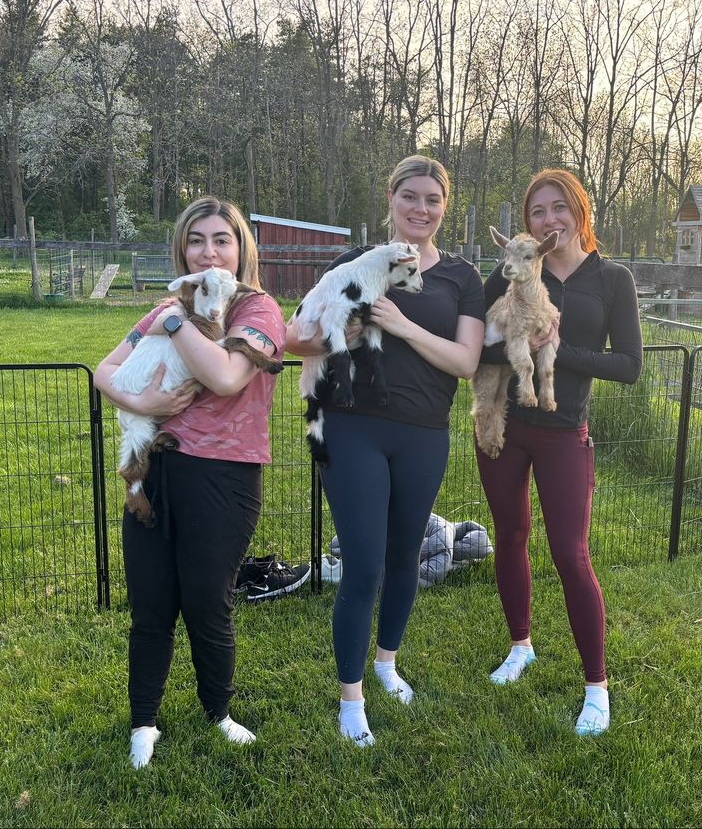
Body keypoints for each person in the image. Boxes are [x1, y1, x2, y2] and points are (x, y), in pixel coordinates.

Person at [285, 155, 485, 747]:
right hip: (354, 428)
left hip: (424, 433)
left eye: (433, 200)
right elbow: (297, 334)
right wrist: (335, 336)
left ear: (444, 208)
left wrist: (400, 325)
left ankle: (386, 662)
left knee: (404, 559)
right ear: (391, 199)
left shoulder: (460, 278)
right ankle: (352, 700)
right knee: (365, 565)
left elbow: (467, 363)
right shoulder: (356, 264)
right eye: (410, 197)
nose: (421, 209)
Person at [93, 197, 286, 769]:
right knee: (151, 603)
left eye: (221, 239)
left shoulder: (258, 310)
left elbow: (226, 377)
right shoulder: (165, 307)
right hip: (153, 468)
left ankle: (218, 711)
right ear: (182, 250)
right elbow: (104, 371)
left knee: (207, 600)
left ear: (240, 248)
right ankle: (143, 722)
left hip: (223, 477)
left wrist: (176, 321)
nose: (209, 250)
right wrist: (142, 400)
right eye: (197, 240)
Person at [475, 169, 642, 736]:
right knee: (511, 536)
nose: (549, 219)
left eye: (558, 208)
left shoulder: (611, 280)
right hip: (506, 423)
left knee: (571, 554)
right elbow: (480, 341)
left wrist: (561, 349)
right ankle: (520, 645)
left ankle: (597, 686)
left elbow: (629, 367)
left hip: (564, 430)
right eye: (538, 211)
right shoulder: (511, 276)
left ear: (578, 211)